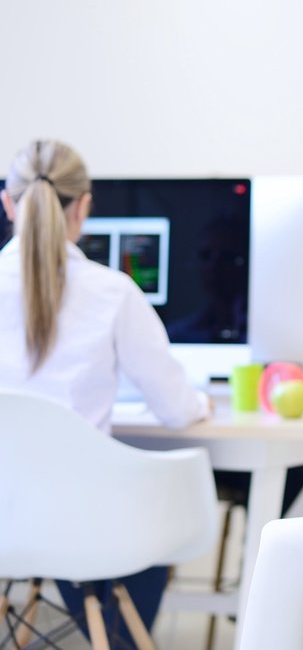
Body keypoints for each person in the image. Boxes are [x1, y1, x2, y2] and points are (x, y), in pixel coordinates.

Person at [0, 140, 210, 646]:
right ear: (85, 207)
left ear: (8, 203)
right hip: (82, 528)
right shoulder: (112, 292)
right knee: (139, 531)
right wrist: (202, 401)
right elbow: (177, 410)